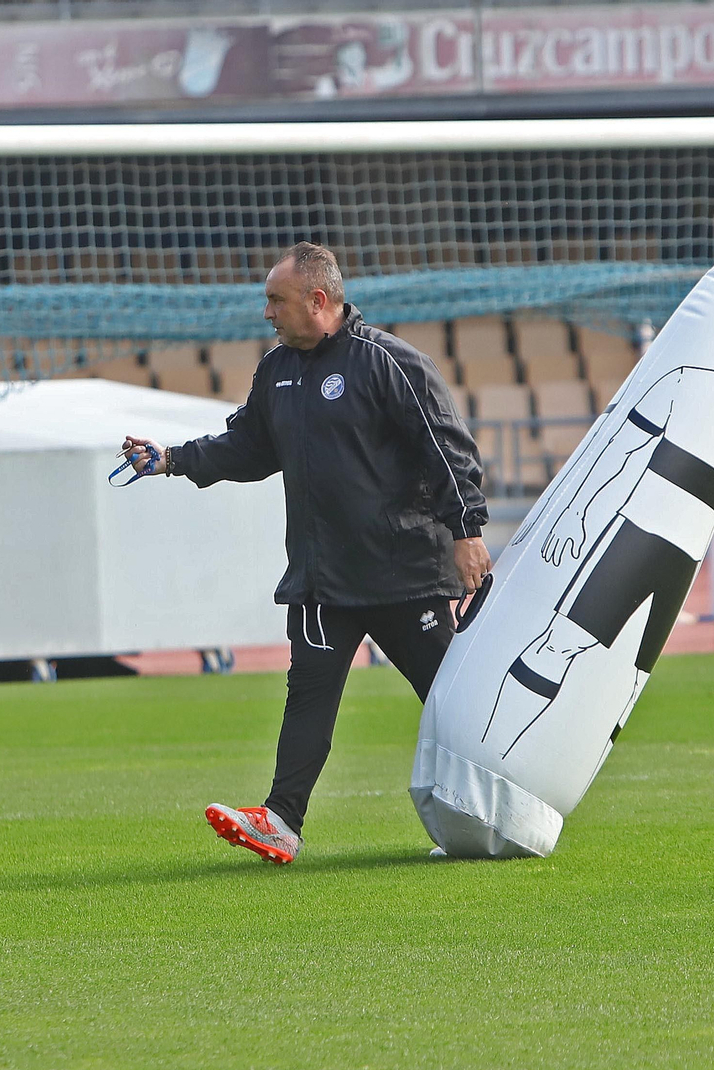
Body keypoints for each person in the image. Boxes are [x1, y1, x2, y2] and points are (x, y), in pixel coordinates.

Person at [120, 241, 490, 864]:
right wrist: (173, 459)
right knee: (307, 696)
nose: (267, 313)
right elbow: (246, 447)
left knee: (455, 701)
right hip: (324, 578)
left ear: (318, 301)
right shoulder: (276, 370)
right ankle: (281, 821)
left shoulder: (389, 364)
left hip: (405, 574)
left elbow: (447, 450)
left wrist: (468, 532)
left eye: (276, 300)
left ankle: (506, 802)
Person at [483, 282, 714, 761]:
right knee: (558, 644)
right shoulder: (684, 380)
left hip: (683, 558)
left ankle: (556, 780)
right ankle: (489, 755)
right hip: (634, 537)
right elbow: (617, 450)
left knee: (627, 686)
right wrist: (576, 513)